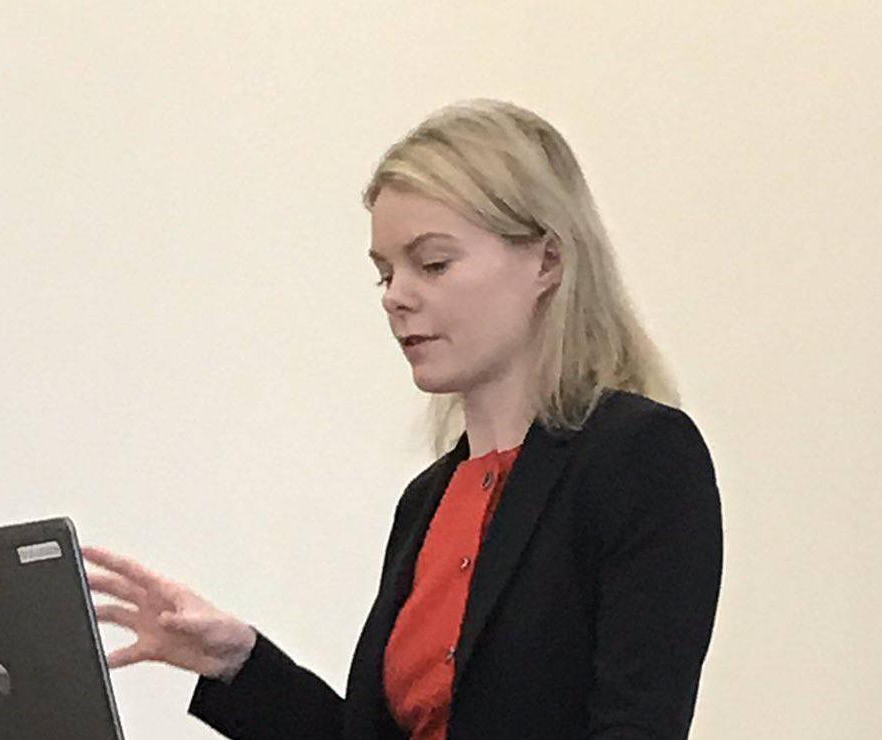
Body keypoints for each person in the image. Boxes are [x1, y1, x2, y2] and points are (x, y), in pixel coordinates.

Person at [81, 98, 723, 740]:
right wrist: (239, 664)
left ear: (548, 261)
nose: (396, 297)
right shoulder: (428, 502)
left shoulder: (640, 456)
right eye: (385, 274)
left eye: (433, 264)